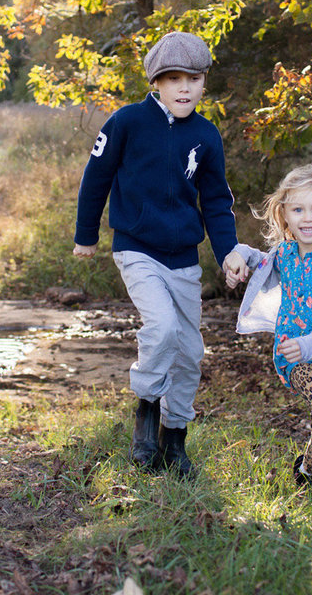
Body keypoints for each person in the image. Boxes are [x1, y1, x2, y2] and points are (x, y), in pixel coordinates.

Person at [73, 31, 247, 479]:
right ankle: (146, 414)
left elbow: (215, 201)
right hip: (137, 249)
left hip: (184, 259)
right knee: (163, 327)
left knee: (190, 351)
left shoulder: (206, 135)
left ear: (204, 81)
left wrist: (227, 253)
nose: (183, 88)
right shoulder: (127, 122)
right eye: (173, 79)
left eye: (193, 78)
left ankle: (175, 439)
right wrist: (85, 235)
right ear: (156, 83)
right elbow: (96, 179)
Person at [229, 164, 312, 511]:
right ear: (284, 215)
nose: (308, 218)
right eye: (298, 209)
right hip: (294, 355)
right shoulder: (286, 255)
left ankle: (306, 468)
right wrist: (240, 255)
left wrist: (311, 344)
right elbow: (259, 260)